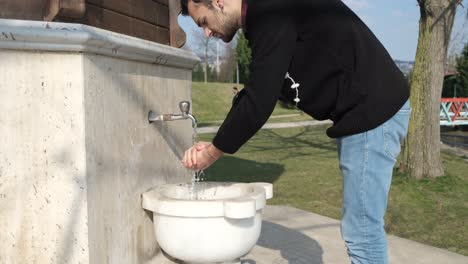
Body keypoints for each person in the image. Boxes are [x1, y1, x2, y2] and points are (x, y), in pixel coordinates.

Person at [180, 0, 411, 263]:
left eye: (203, 22)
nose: (206, 33)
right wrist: (216, 143)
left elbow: (260, 101)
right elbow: (259, 88)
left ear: (219, 1)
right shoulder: (266, 15)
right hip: (368, 113)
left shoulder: (269, 10)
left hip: (372, 112)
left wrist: (212, 153)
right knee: (361, 228)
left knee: (362, 232)